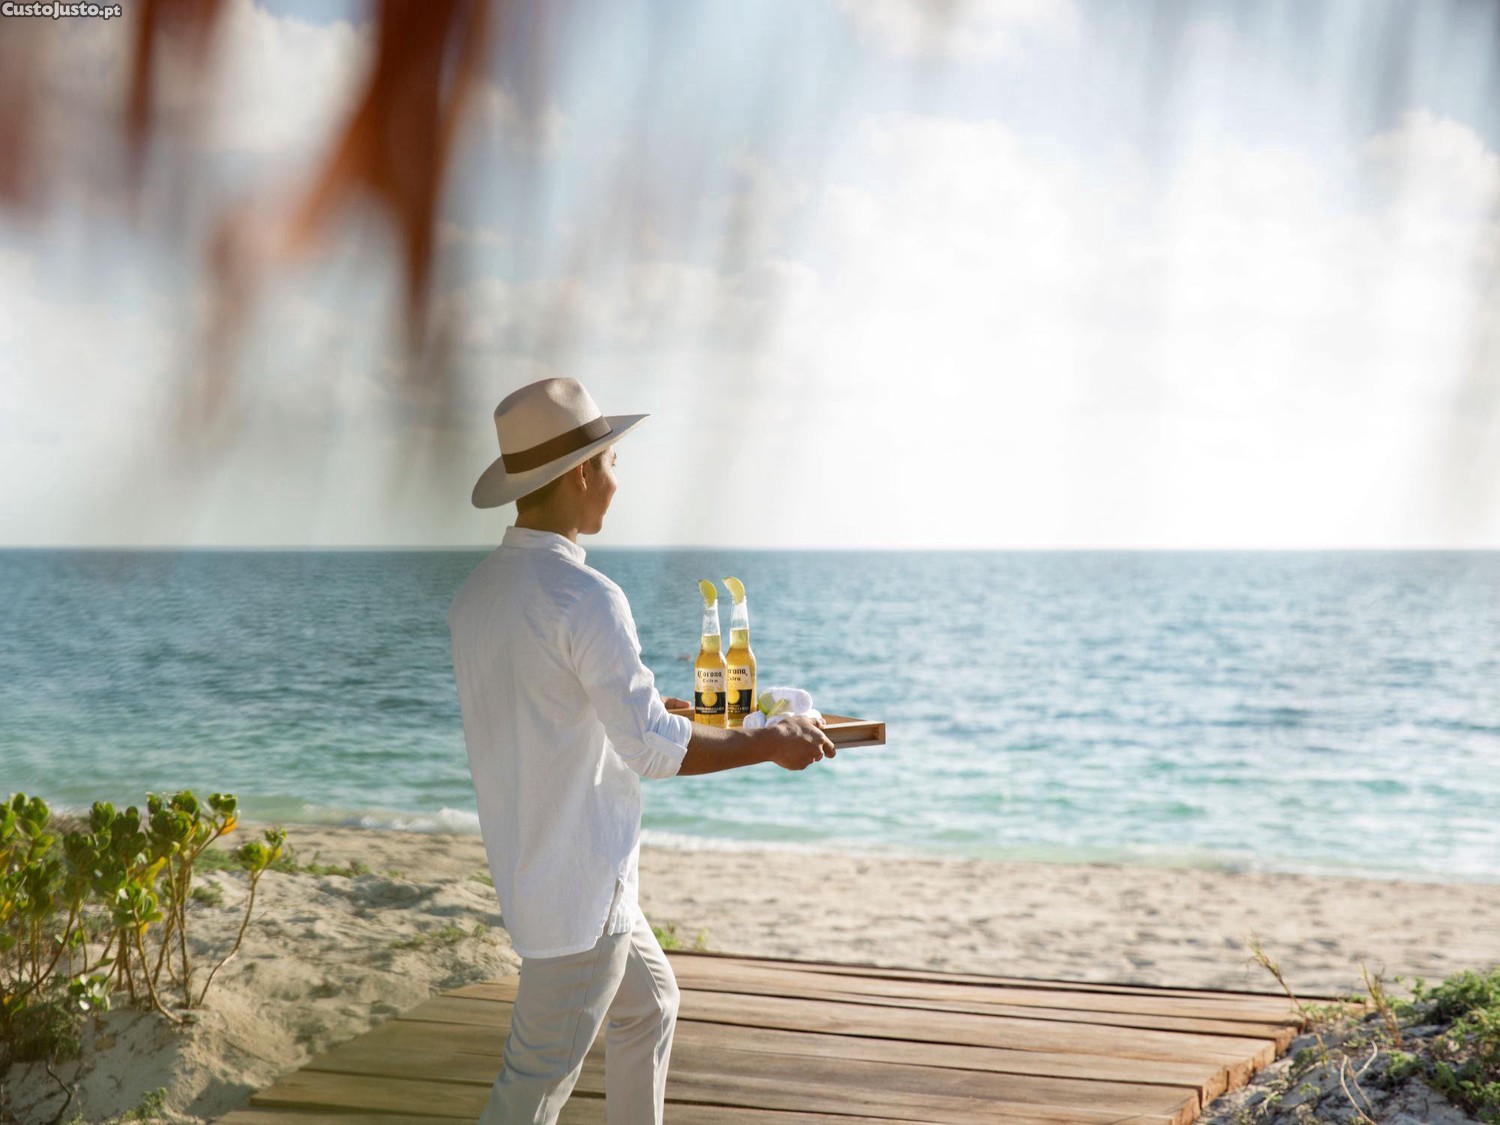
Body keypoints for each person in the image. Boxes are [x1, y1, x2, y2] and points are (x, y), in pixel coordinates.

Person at [448, 377, 836, 1124]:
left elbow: (552, 714)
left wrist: (661, 716)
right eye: (612, 464)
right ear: (580, 473)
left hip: (543, 876)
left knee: (651, 1006)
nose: (617, 482)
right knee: (531, 1087)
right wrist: (768, 741)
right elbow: (651, 750)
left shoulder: (479, 595)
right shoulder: (585, 595)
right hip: (580, 894)